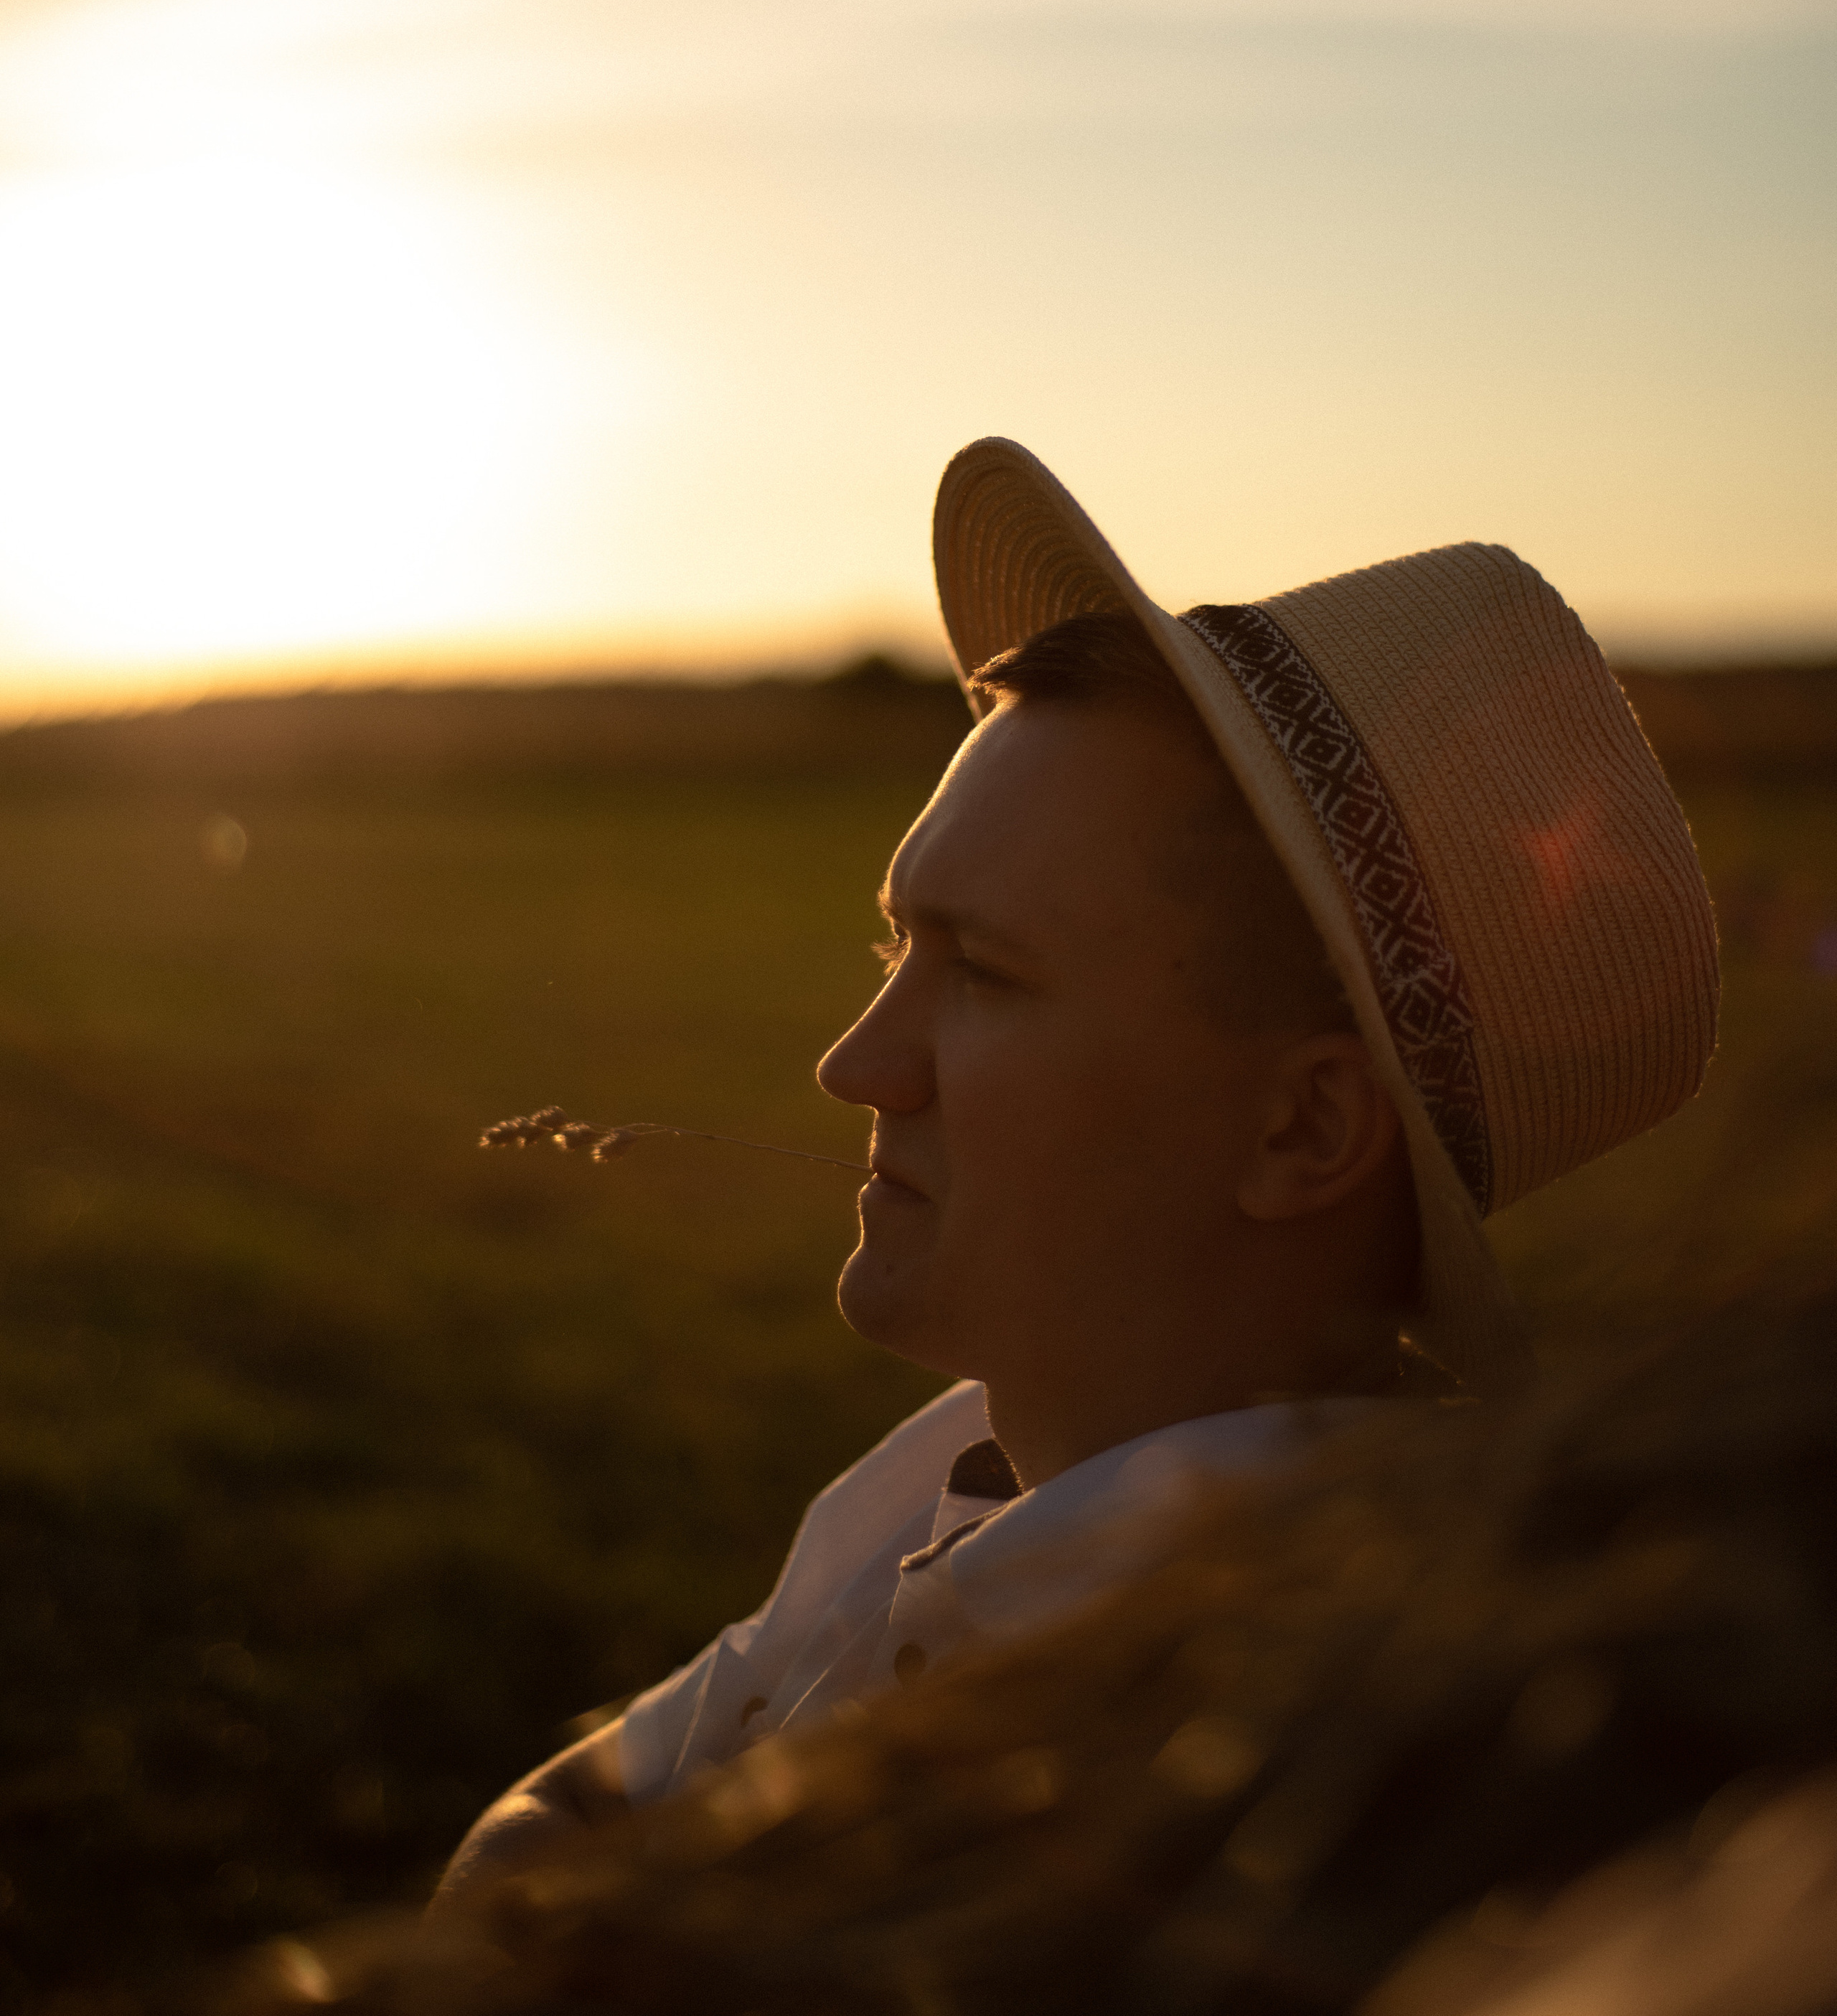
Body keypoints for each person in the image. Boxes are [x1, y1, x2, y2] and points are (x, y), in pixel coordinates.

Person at [433, 436, 1718, 1908]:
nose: (854, 1066)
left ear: (1298, 1131)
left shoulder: (1239, 1754)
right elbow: (563, 1808)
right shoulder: (958, 1463)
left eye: (980, 969)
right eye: (893, 946)